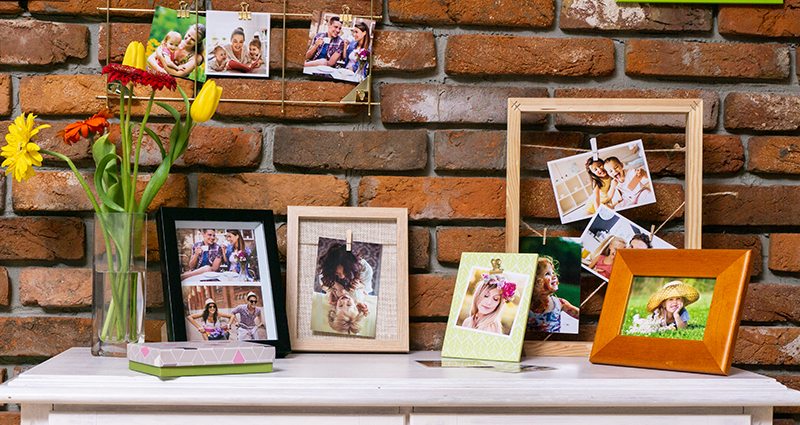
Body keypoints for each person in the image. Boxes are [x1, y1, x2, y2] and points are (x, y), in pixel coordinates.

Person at [528, 256, 579, 333]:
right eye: (547, 274)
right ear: (535, 281)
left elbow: (580, 315)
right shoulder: (526, 304)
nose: (554, 276)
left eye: (553, 273)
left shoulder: (560, 303)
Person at [628, 281, 699, 334]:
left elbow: (683, 329)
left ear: (682, 301)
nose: (675, 302)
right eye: (671, 299)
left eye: (678, 299)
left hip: (671, 321)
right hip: (654, 320)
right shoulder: (659, 311)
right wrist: (667, 328)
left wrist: (676, 314)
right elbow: (656, 327)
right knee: (644, 323)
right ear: (664, 304)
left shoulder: (683, 312)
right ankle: (636, 319)